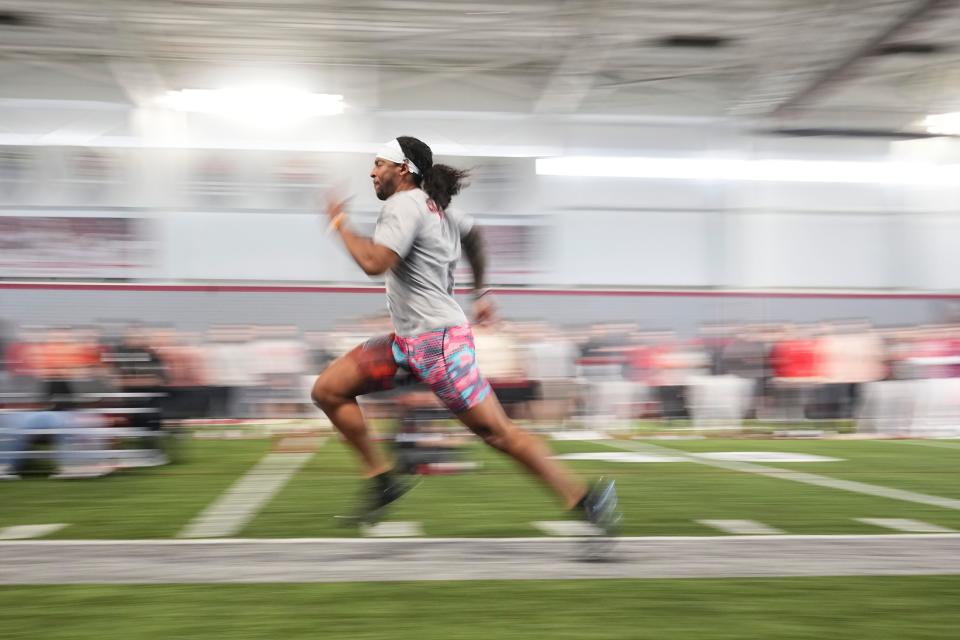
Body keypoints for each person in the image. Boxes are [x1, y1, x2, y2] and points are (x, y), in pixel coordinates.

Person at [311, 136, 620, 532]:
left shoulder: (404, 205)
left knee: (499, 433)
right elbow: (474, 237)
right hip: (410, 343)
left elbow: (374, 262)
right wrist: (483, 293)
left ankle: (589, 502)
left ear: (402, 169)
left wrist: (338, 224)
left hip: (437, 346)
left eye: (378, 163)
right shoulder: (437, 208)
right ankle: (382, 481)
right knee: (328, 390)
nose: (372, 172)